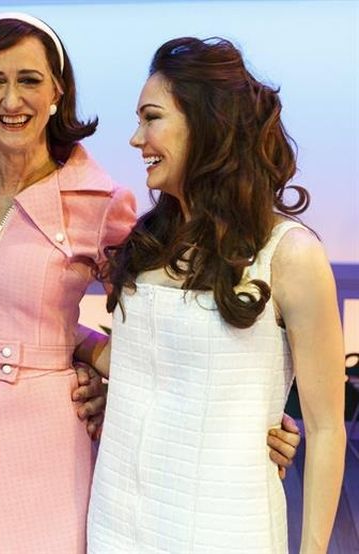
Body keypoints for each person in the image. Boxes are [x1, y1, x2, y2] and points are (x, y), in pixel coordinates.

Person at [0, 14, 302, 554]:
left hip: (46, 433)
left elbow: (177, 320)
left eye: (29, 79)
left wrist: (246, 412)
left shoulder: (100, 201)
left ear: (57, 92)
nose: (10, 99)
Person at [86, 37, 345, 552]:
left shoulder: (289, 254)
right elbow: (135, 361)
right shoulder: (147, 241)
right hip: (116, 520)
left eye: (151, 117)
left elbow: (325, 428)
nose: (137, 139)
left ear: (208, 124)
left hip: (224, 525)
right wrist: (55, 346)